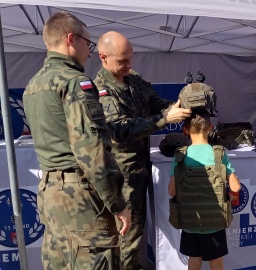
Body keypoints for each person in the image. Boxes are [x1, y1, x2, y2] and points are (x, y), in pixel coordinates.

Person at [23, 12, 131, 269]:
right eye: (88, 43)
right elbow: (91, 151)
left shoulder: (34, 85)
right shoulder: (75, 82)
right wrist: (117, 203)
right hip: (81, 198)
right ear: (71, 39)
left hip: (50, 193)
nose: (89, 52)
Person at [94, 31, 191, 269]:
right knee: (126, 235)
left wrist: (183, 104)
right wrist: (164, 118)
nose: (129, 65)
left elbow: (155, 103)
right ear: (103, 57)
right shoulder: (99, 90)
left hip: (140, 170)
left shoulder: (133, 79)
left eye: (131, 58)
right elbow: (120, 130)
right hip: (121, 177)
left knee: (136, 234)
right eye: (122, 61)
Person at [168, 109, 241, 270]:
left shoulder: (180, 155)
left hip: (190, 221)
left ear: (185, 130)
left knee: (194, 261)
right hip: (214, 222)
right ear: (210, 127)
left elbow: (172, 192)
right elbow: (236, 187)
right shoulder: (219, 154)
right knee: (216, 262)